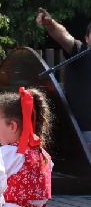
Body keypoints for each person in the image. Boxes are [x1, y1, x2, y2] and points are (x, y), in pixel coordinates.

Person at [36, 8, 91, 142]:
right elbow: (65, 37)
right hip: (84, 133)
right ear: (87, 38)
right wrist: (51, 24)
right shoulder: (80, 53)